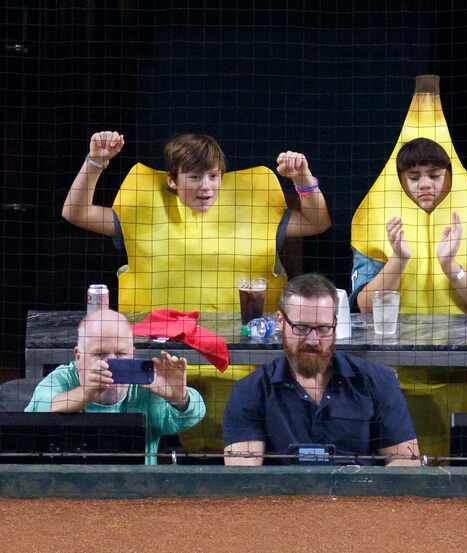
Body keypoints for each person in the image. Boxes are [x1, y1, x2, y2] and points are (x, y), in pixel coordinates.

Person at [61, 131, 332, 451]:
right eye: (194, 177)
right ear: (172, 181)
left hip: (242, 358)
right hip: (156, 357)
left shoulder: (255, 210)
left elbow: (317, 222)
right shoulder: (142, 211)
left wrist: (303, 178)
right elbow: (75, 213)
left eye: (213, 176)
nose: (206, 186)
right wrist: (96, 162)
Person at [350, 137, 467, 458]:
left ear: (449, 177)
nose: (425, 184)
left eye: (434, 175)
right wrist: (398, 259)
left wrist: (450, 266)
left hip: (464, 368)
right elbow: (365, 306)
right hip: (395, 371)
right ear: (400, 181)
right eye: (414, 178)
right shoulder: (378, 225)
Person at [223, 274, 420, 466]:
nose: (313, 340)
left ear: (335, 325)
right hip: (282, 497)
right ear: (280, 322)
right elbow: (243, 477)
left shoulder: (377, 381)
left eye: (323, 328)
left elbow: (405, 461)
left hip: (357, 496)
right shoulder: (249, 391)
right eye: (301, 328)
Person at [25, 309, 205, 464]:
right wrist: (86, 392)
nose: (110, 362)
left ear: (133, 353)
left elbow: (193, 415)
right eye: (100, 354)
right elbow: (35, 412)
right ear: (78, 356)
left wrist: (180, 399)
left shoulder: (147, 386)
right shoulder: (62, 378)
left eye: (121, 353)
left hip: (137, 491)